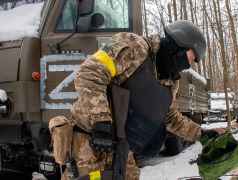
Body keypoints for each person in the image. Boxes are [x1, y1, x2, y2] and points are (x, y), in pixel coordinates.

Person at [49, 20, 224, 180]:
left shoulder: (170, 82)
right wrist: (101, 121)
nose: (188, 65)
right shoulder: (133, 47)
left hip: (123, 151)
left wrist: (200, 133)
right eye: (190, 58)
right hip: (89, 142)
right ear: (177, 45)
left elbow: (169, 118)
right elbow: (90, 73)